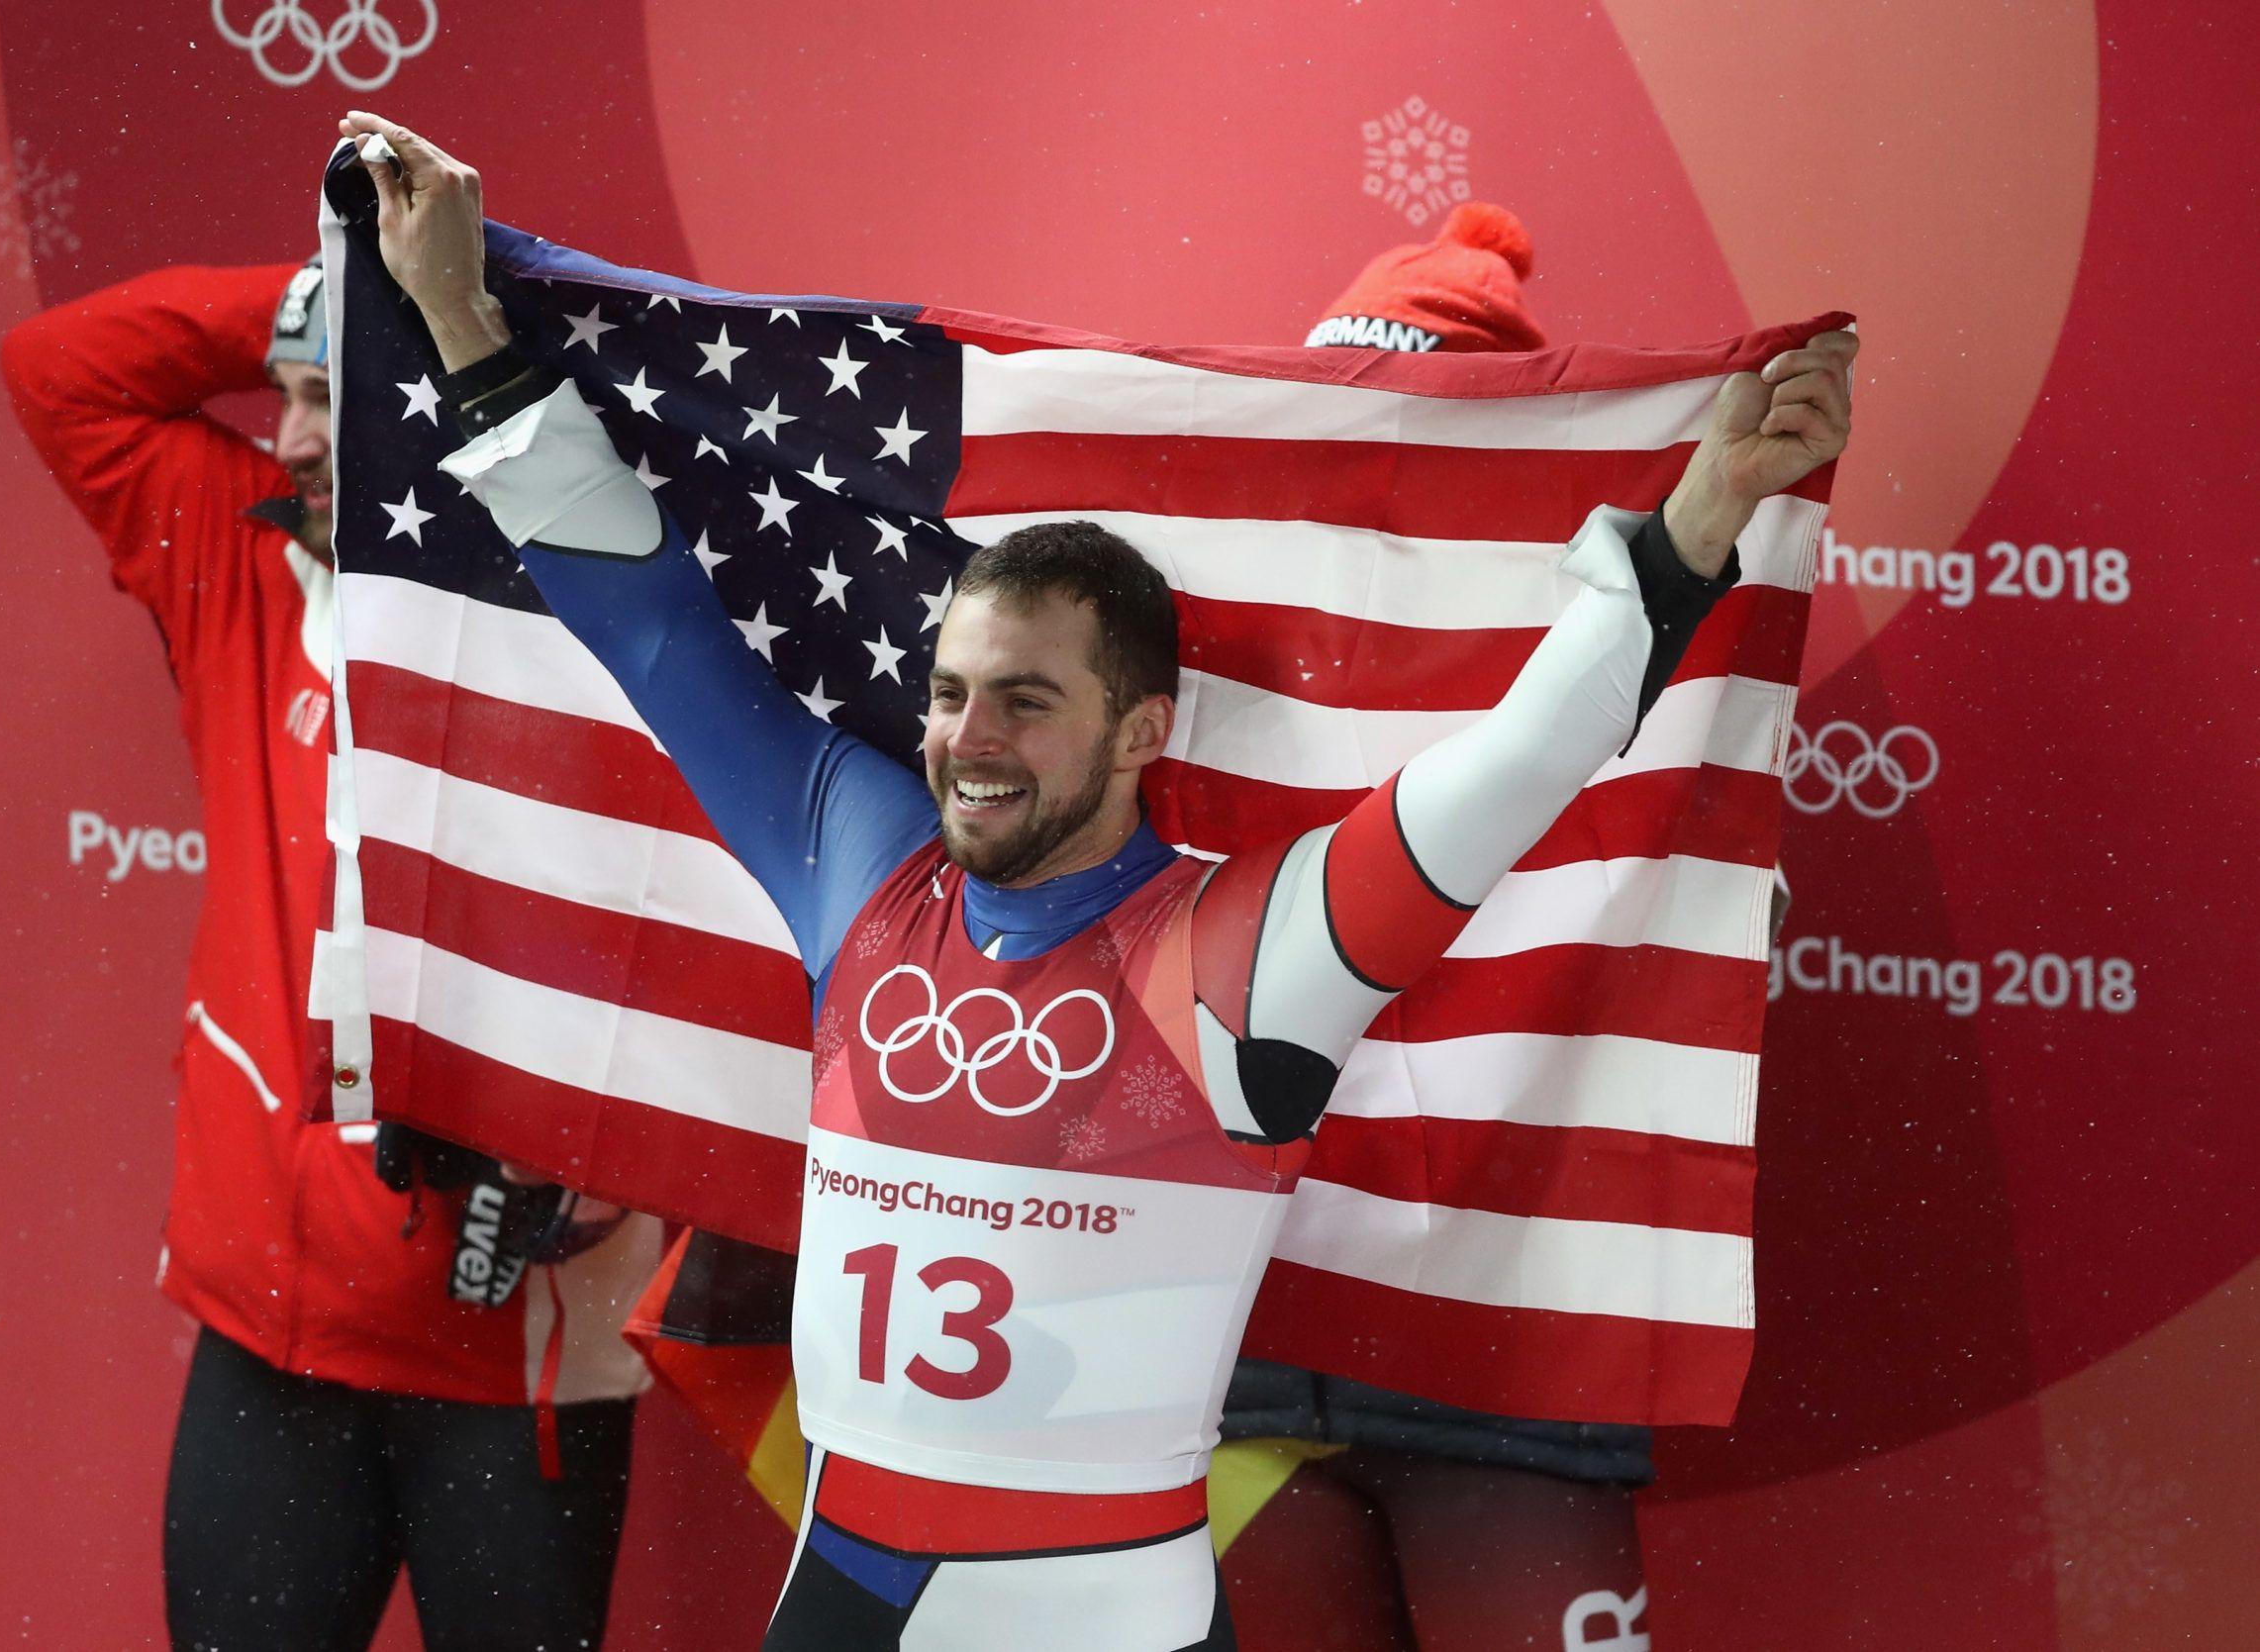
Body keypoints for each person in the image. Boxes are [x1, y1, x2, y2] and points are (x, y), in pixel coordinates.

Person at [338, 109, 1852, 1649]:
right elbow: (652, 620)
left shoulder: (1244, 952)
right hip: (842, 1601)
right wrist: (461, 316)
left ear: (1142, 728)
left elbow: (1519, 764)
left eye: (1025, 701)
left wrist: (1700, 523)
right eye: (947, 693)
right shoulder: (857, 859)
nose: (966, 741)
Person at [0, 257, 661, 1651]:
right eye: (283, 397)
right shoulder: (248, 569)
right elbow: (59, 370)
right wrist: (328, 293)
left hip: (509, 1353)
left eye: (327, 403)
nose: (285, 438)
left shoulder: (604, 627)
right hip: (270, 1333)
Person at [1220, 205, 1659, 1652]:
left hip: (1509, 1361)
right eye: (1350, 424)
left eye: (1440, 434)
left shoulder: (1656, 669)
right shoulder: (1211, 634)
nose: (1386, 469)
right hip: (1250, 1351)